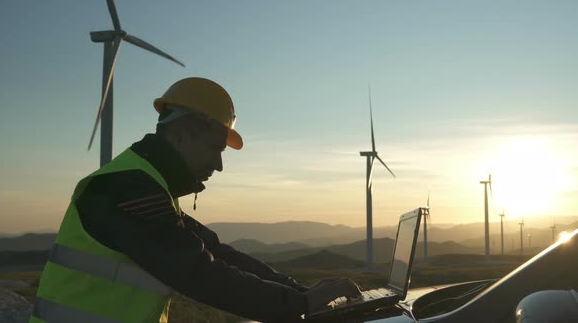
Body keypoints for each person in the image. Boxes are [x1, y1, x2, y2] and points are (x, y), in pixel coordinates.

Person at [30, 77, 361, 323]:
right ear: (180, 135)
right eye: (215, 149)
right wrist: (299, 306)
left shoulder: (147, 185)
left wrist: (300, 291)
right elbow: (197, 271)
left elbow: (215, 251)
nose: (218, 165)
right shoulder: (126, 189)